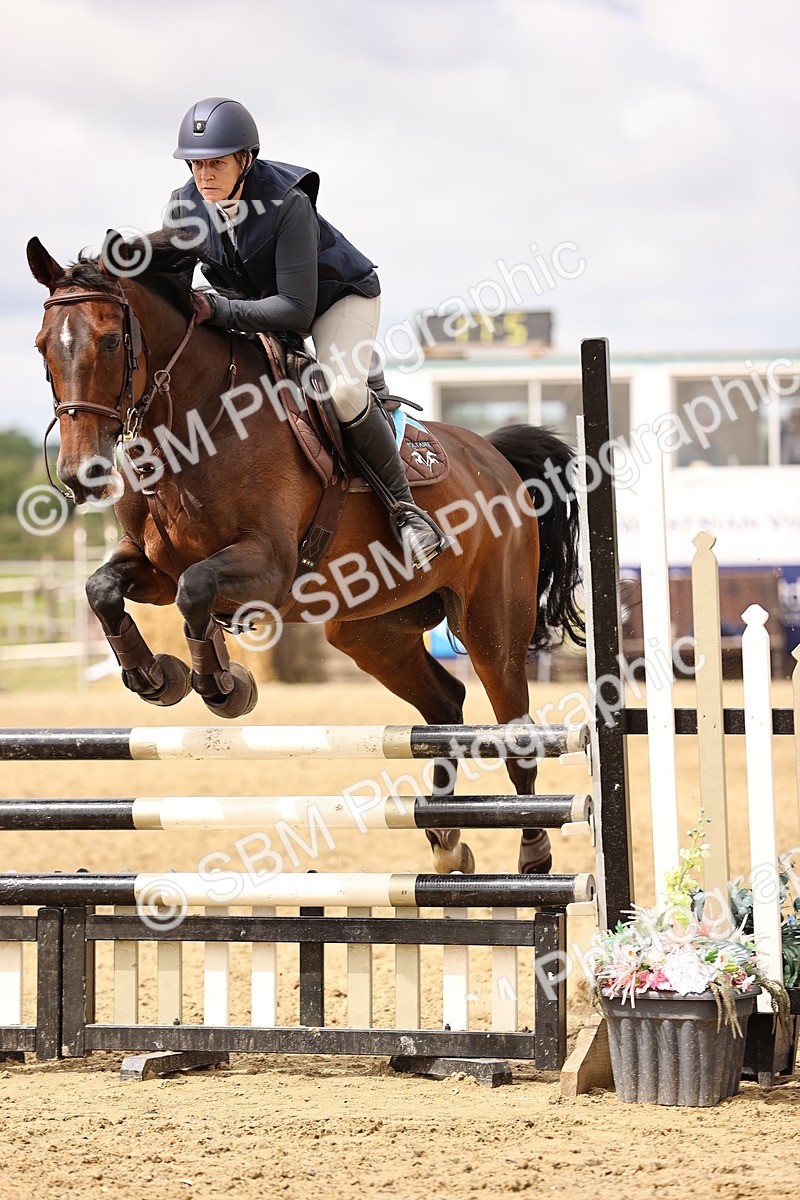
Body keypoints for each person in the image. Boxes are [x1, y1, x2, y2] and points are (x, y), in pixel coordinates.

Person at [165, 96, 445, 568]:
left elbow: (296, 311)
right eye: (196, 164)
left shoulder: (286, 201)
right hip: (258, 306)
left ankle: (406, 513)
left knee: (342, 390)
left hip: (333, 302)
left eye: (216, 163)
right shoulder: (182, 207)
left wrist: (219, 308)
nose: (203, 175)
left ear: (245, 160)